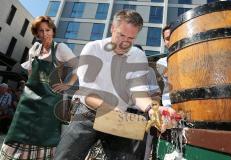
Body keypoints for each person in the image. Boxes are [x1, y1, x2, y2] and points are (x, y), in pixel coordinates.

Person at [55, 10, 175, 160]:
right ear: (112, 28)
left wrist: (153, 109)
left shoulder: (138, 56)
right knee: (65, 156)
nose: (125, 43)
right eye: (121, 35)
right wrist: (111, 108)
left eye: (131, 38)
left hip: (119, 116)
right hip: (88, 112)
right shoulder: (92, 49)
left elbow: (138, 93)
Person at [0, 16, 78, 160]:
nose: (45, 34)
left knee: (44, 136)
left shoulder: (60, 48)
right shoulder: (34, 49)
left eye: (47, 30)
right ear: (37, 34)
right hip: (29, 101)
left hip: (49, 102)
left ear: (53, 31)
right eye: (41, 31)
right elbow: (31, 75)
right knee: (19, 133)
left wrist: (68, 84)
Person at [157, 24, 171, 107]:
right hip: (169, 106)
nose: (171, 41)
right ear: (164, 42)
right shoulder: (161, 62)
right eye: (167, 39)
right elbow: (172, 75)